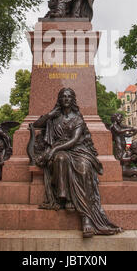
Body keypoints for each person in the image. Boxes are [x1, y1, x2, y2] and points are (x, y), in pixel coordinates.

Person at [32, 88, 123, 238]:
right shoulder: (54, 118)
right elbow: (36, 124)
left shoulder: (78, 118)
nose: (66, 99)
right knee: (61, 159)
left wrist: (53, 150)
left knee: (84, 168)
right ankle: (65, 197)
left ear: (73, 99)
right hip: (60, 151)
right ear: (59, 100)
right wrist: (49, 115)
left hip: (77, 149)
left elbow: (74, 140)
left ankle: (86, 218)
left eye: (69, 96)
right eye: (63, 96)